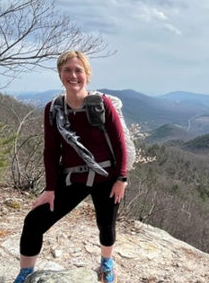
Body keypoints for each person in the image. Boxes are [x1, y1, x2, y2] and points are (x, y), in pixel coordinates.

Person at [13, 50, 128, 283]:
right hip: (73, 179)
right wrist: (50, 189)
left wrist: (122, 178)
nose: (73, 75)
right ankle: (26, 273)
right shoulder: (53, 110)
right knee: (34, 221)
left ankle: (106, 262)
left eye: (78, 70)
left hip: (106, 178)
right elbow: (52, 151)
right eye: (67, 70)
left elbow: (119, 143)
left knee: (106, 225)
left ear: (87, 75)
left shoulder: (102, 104)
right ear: (60, 75)